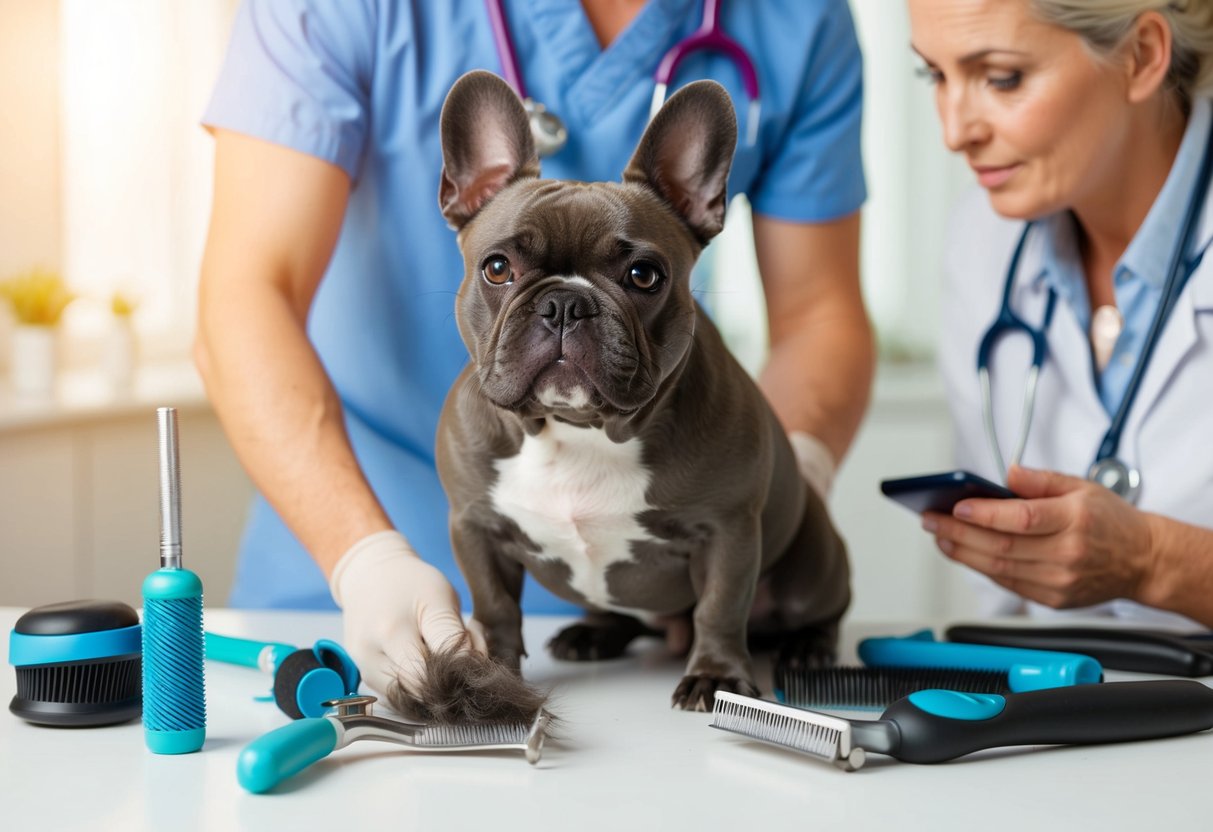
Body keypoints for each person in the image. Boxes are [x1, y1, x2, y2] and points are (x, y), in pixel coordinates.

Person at [194, 0, 875, 698]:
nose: (563, 318)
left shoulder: (799, 17)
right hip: (334, 579)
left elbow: (818, 311)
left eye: (640, 276)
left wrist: (783, 486)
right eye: (501, 270)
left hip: (669, 638)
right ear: (464, 192)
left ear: (698, 204)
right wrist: (362, 558)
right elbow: (245, 294)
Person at [908, 0, 1213, 627]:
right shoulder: (982, 239)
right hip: (1061, 685)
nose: (955, 133)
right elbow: (1006, 597)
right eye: (934, 75)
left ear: (1141, 56)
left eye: (1002, 78)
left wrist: (1152, 560)